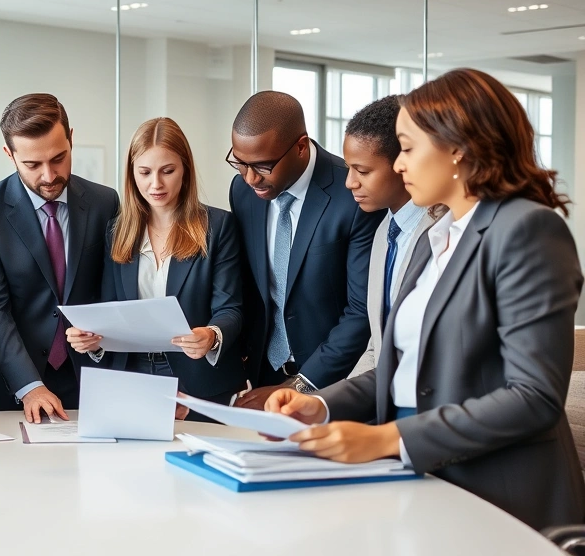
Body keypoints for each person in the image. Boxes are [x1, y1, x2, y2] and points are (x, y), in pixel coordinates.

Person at [266, 68, 585, 530]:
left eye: (409, 148)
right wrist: (322, 405)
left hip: (500, 493)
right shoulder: (432, 237)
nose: (398, 164)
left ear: (457, 148)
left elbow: (533, 396)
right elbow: (407, 369)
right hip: (425, 478)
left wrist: (390, 438)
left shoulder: (527, 229)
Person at [66, 117, 245, 418]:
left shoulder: (218, 226)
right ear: (132, 174)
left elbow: (232, 308)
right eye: (145, 172)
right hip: (132, 379)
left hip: (197, 377)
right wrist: (91, 341)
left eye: (168, 171)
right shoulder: (116, 232)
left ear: (185, 170)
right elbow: (111, 311)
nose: (156, 184)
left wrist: (211, 335)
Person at [0, 93, 119, 422]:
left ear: (71, 139)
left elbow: (111, 291)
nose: (49, 176)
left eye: (59, 158)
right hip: (11, 385)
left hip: (87, 376)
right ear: (10, 154)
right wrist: (29, 385)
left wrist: (100, 334)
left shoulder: (104, 203)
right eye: (33, 165)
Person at [227, 91, 383, 408]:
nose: (250, 177)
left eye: (263, 165)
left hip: (329, 384)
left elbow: (360, 313)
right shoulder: (242, 191)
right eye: (239, 163)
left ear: (300, 146)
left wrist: (301, 386)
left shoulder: (353, 194)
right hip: (260, 377)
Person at [342, 96, 433, 377]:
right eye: (349, 168)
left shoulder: (444, 231)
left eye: (363, 171)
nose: (350, 182)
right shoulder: (384, 230)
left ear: (403, 162)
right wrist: (325, 401)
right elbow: (379, 346)